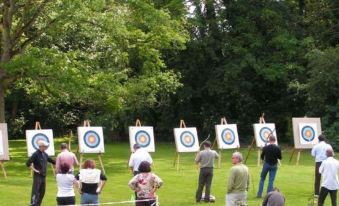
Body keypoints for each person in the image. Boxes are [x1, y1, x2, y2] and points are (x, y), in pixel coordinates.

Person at [26, 141, 55, 206]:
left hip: (43, 176)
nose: (46, 147)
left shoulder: (45, 154)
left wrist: (60, 161)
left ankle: (38, 204)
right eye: (45, 146)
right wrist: (35, 170)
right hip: (38, 176)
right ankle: (33, 204)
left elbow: (52, 161)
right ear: (41, 146)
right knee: (36, 191)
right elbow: (28, 163)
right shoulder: (35, 154)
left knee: (42, 192)